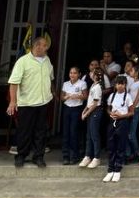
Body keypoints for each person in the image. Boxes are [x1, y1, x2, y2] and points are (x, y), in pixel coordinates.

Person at [6, 33, 55, 168]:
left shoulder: (47, 60)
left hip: (43, 102)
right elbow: (14, 82)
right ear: (37, 46)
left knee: (41, 132)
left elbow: (50, 78)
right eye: (45, 46)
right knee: (24, 131)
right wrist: (13, 101)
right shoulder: (23, 61)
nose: (46, 48)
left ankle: (38, 157)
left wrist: (53, 92)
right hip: (27, 103)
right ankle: (21, 156)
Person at [103, 75, 135, 183]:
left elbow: (131, 112)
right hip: (113, 121)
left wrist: (121, 116)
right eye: (118, 84)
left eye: (122, 84)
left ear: (125, 85)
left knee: (120, 145)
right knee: (111, 145)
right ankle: (110, 169)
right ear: (115, 85)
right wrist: (110, 113)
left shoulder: (128, 97)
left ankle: (117, 169)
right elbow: (108, 108)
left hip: (123, 121)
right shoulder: (112, 96)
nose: (120, 86)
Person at [60, 66, 87, 165]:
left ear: (79, 74)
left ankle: (74, 155)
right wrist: (66, 97)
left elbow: (85, 96)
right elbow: (61, 97)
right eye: (71, 73)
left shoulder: (82, 83)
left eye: (75, 73)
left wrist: (78, 96)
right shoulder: (65, 84)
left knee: (74, 132)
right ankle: (65, 156)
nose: (72, 75)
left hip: (77, 109)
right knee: (66, 132)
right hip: (67, 108)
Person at [79, 67, 105, 169]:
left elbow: (95, 103)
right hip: (90, 110)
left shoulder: (98, 87)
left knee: (94, 135)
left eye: (92, 72)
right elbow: (90, 101)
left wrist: (86, 113)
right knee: (89, 135)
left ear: (95, 75)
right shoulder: (93, 85)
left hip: (95, 111)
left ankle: (96, 157)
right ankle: (87, 156)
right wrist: (84, 110)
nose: (90, 73)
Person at [123, 62, 139, 160]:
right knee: (127, 133)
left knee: (131, 134)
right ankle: (129, 153)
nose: (130, 71)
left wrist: (132, 107)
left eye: (132, 70)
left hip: (135, 109)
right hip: (128, 108)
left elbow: (138, 98)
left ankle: (137, 153)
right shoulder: (131, 82)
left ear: (137, 73)